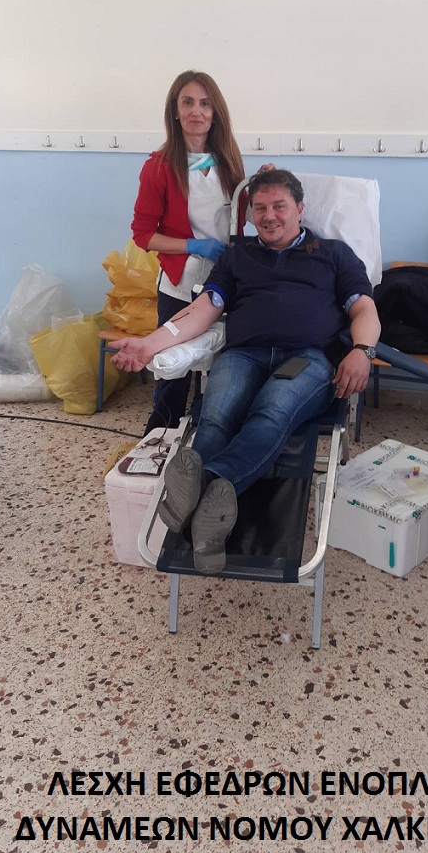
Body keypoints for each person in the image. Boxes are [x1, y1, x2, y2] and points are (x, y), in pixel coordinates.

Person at [110, 169, 381, 573]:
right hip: (243, 354)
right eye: (260, 208)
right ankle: (209, 511)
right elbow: (204, 309)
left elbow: (363, 308)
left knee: (271, 412)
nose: (269, 216)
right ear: (251, 214)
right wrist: (150, 343)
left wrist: (362, 351)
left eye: (279, 206)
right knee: (215, 416)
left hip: (307, 358)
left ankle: (206, 484)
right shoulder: (238, 257)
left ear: (300, 208)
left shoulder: (333, 254)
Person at [131, 70, 245, 435]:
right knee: (173, 377)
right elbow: (143, 235)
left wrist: (257, 183)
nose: (197, 111)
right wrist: (194, 246)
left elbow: (242, 214)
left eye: (205, 103)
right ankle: (156, 445)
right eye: (188, 102)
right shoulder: (159, 167)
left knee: (221, 373)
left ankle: (203, 444)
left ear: (215, 112)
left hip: (225, 284)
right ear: (175, 111)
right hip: (181, 286)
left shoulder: (228, 161)